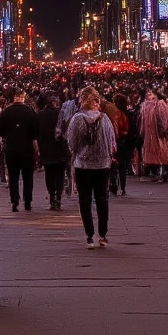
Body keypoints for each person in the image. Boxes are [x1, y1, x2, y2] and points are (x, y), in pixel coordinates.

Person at [64, 87, 115, 248]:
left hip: (83, 165)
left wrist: (78, 153)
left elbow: (72, 143)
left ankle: (89, 235)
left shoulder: (77, 119)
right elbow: (112, 142)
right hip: (102, 164)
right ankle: (103, 234)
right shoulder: (104, 119)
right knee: (102, 199)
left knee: (85, 200)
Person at [0, 91, 37, 214]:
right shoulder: (30, 111)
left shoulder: (6, 111)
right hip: (27, 148)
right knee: (28, 176)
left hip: (11, 148)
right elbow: (36, 129)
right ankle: (28, 202)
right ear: (23, 98)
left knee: (13, 176)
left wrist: (8, 134)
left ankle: (14, 201)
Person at [37, 89, 67, 213]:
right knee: (60, 175)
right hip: (61, 149)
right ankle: (58, 198)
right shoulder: (62, 114)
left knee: (49, 175)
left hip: (46, 149)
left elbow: (37, 133)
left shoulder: (40, 115)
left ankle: (52, 198)